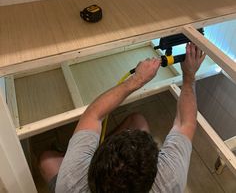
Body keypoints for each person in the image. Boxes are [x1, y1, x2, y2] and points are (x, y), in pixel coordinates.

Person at [39, 42, 205, 193]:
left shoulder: (70, 184)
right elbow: (186, 123)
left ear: (93, 170)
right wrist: (189, 76)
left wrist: (136, 80)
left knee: (47, 161)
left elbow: (93, 114)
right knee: (137, 121)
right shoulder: (169, 181)